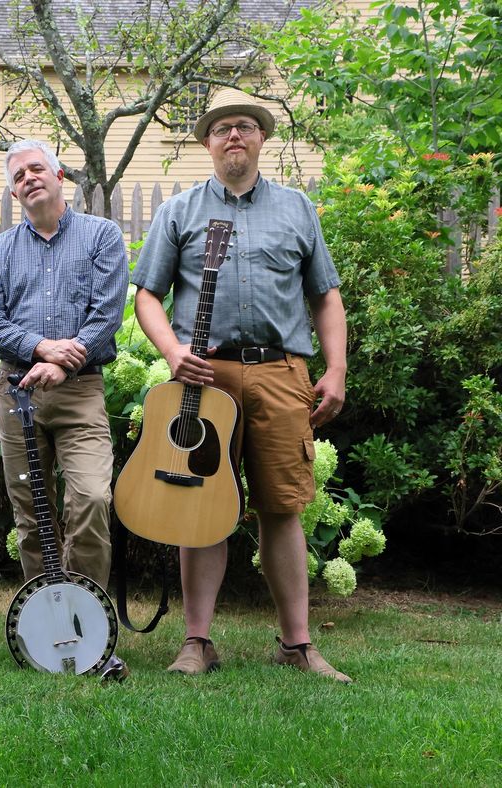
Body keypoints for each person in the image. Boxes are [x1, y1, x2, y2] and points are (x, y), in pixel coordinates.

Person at [132, 87, 351, 683]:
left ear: (261, 139)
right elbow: (146, 295)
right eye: (223, 127)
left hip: (283, 374)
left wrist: (335, 369)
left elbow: (324, 295)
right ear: (207, 141)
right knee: (199, 507)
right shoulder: (179, 212)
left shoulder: (297, 209)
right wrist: (174, 351)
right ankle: (196, 642)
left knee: (282, 508)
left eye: (246, 127)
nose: (235, 135)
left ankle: (297, 645)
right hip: (205, 378)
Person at [0, 139, 130, 681]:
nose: (29, 179)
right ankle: (47, 630)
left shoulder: (101, 236)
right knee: (32, 517)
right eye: (18, 176)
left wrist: (64, 363)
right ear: (14, 191)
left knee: (89, 498)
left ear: (59, 175)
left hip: (81, 390)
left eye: (37, 169)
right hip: (16, 392)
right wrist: (42, 349)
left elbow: (108, 316)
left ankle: (92, 627)